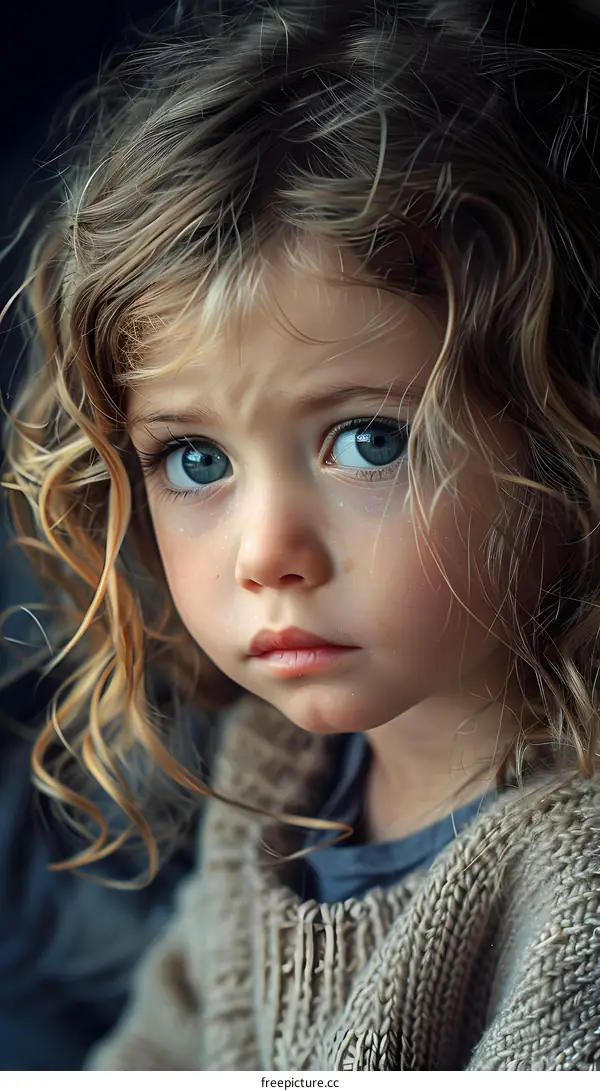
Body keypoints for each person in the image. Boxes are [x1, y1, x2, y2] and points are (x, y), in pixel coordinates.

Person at [2, 0, 600, 1072]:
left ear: (565, 440)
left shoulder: (575, 881)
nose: (265, 552)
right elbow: (164, 1045)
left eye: (368, 439)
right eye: (195, 461)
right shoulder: (279, 765)